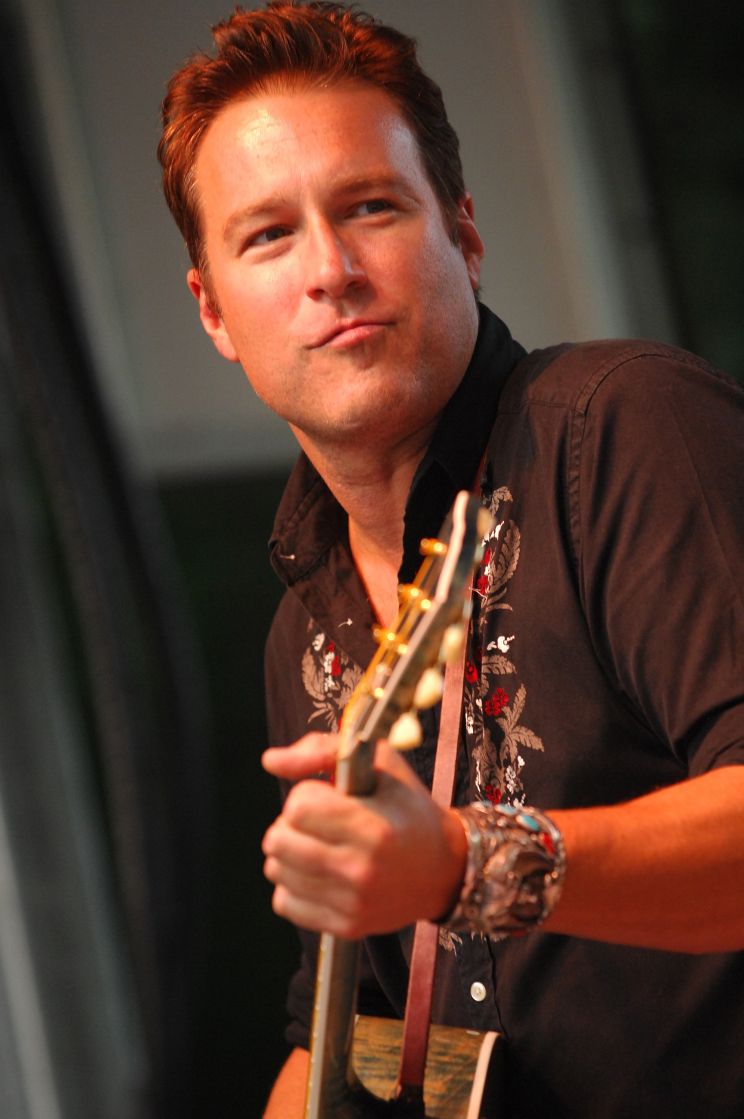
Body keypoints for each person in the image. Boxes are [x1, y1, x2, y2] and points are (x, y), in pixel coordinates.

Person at [158, 3, 744, 1115]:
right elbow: (345, 1031)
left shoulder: (625, 429)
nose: (331, 269)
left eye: (370, 207)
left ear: (464, 238)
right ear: (214, 311)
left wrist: (466, 861)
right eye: (268, 235)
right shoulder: (305, 630)